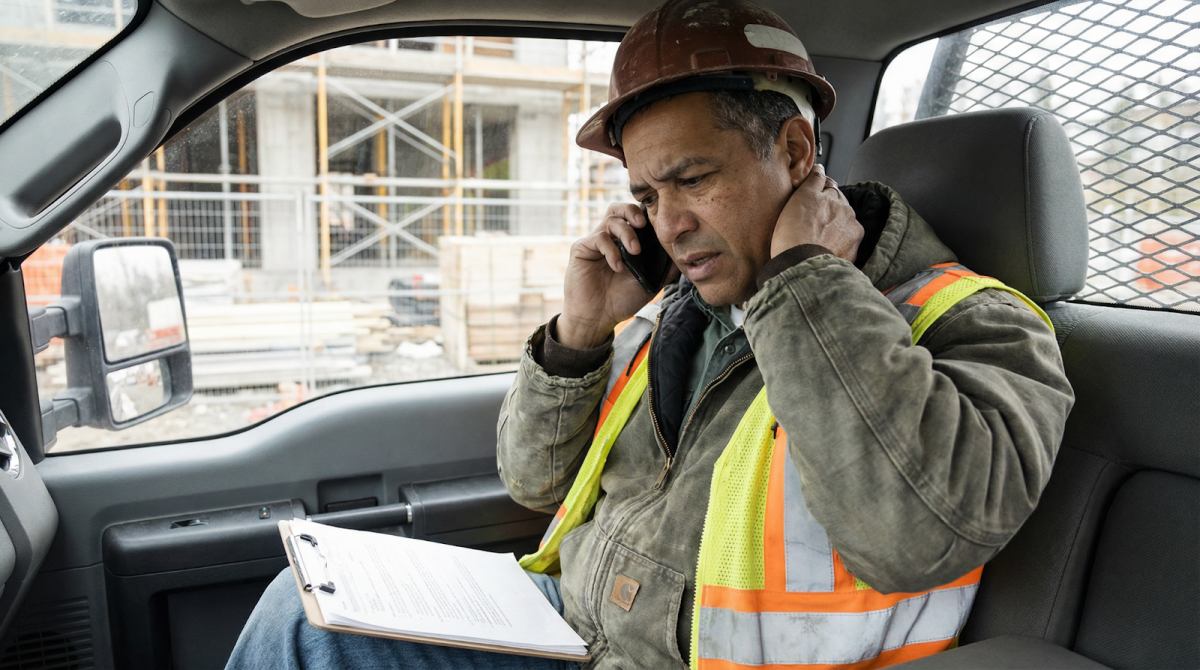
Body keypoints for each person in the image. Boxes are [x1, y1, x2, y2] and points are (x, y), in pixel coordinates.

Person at [226, 0, 1073, 667]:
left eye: (692, 180)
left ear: (795, 150)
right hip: (570, 633)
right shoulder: (681, 309)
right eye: (647, 197)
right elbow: (531, 481)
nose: (668, 226)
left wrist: (807, 282)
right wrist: (580, 333)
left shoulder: (975, 325)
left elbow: (912, 535)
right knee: (299, 613)